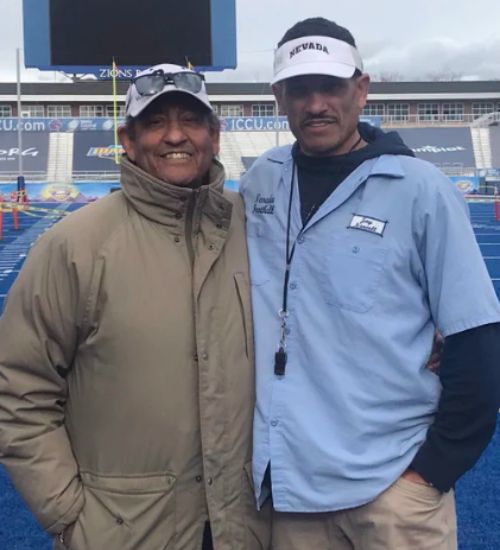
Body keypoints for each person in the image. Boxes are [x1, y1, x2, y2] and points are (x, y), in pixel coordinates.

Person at [240, 18, 500, 550]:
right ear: (278, 98)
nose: (317, 104)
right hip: (290, 495)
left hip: (393, 492)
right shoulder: (260, 180)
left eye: (332, 86)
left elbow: (477, 340)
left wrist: (429, 476)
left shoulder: (421, 190)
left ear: (361, 88)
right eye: (300, 89)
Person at [0, 63, 270, 550]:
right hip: (125, 534)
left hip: (246, 528)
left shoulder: (255, 229)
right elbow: (18, 389)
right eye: (154, 122)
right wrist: (67, 513)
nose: (174, 136)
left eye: (189, 120)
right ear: (127, 139)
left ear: (214, 133)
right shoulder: (74, 246)